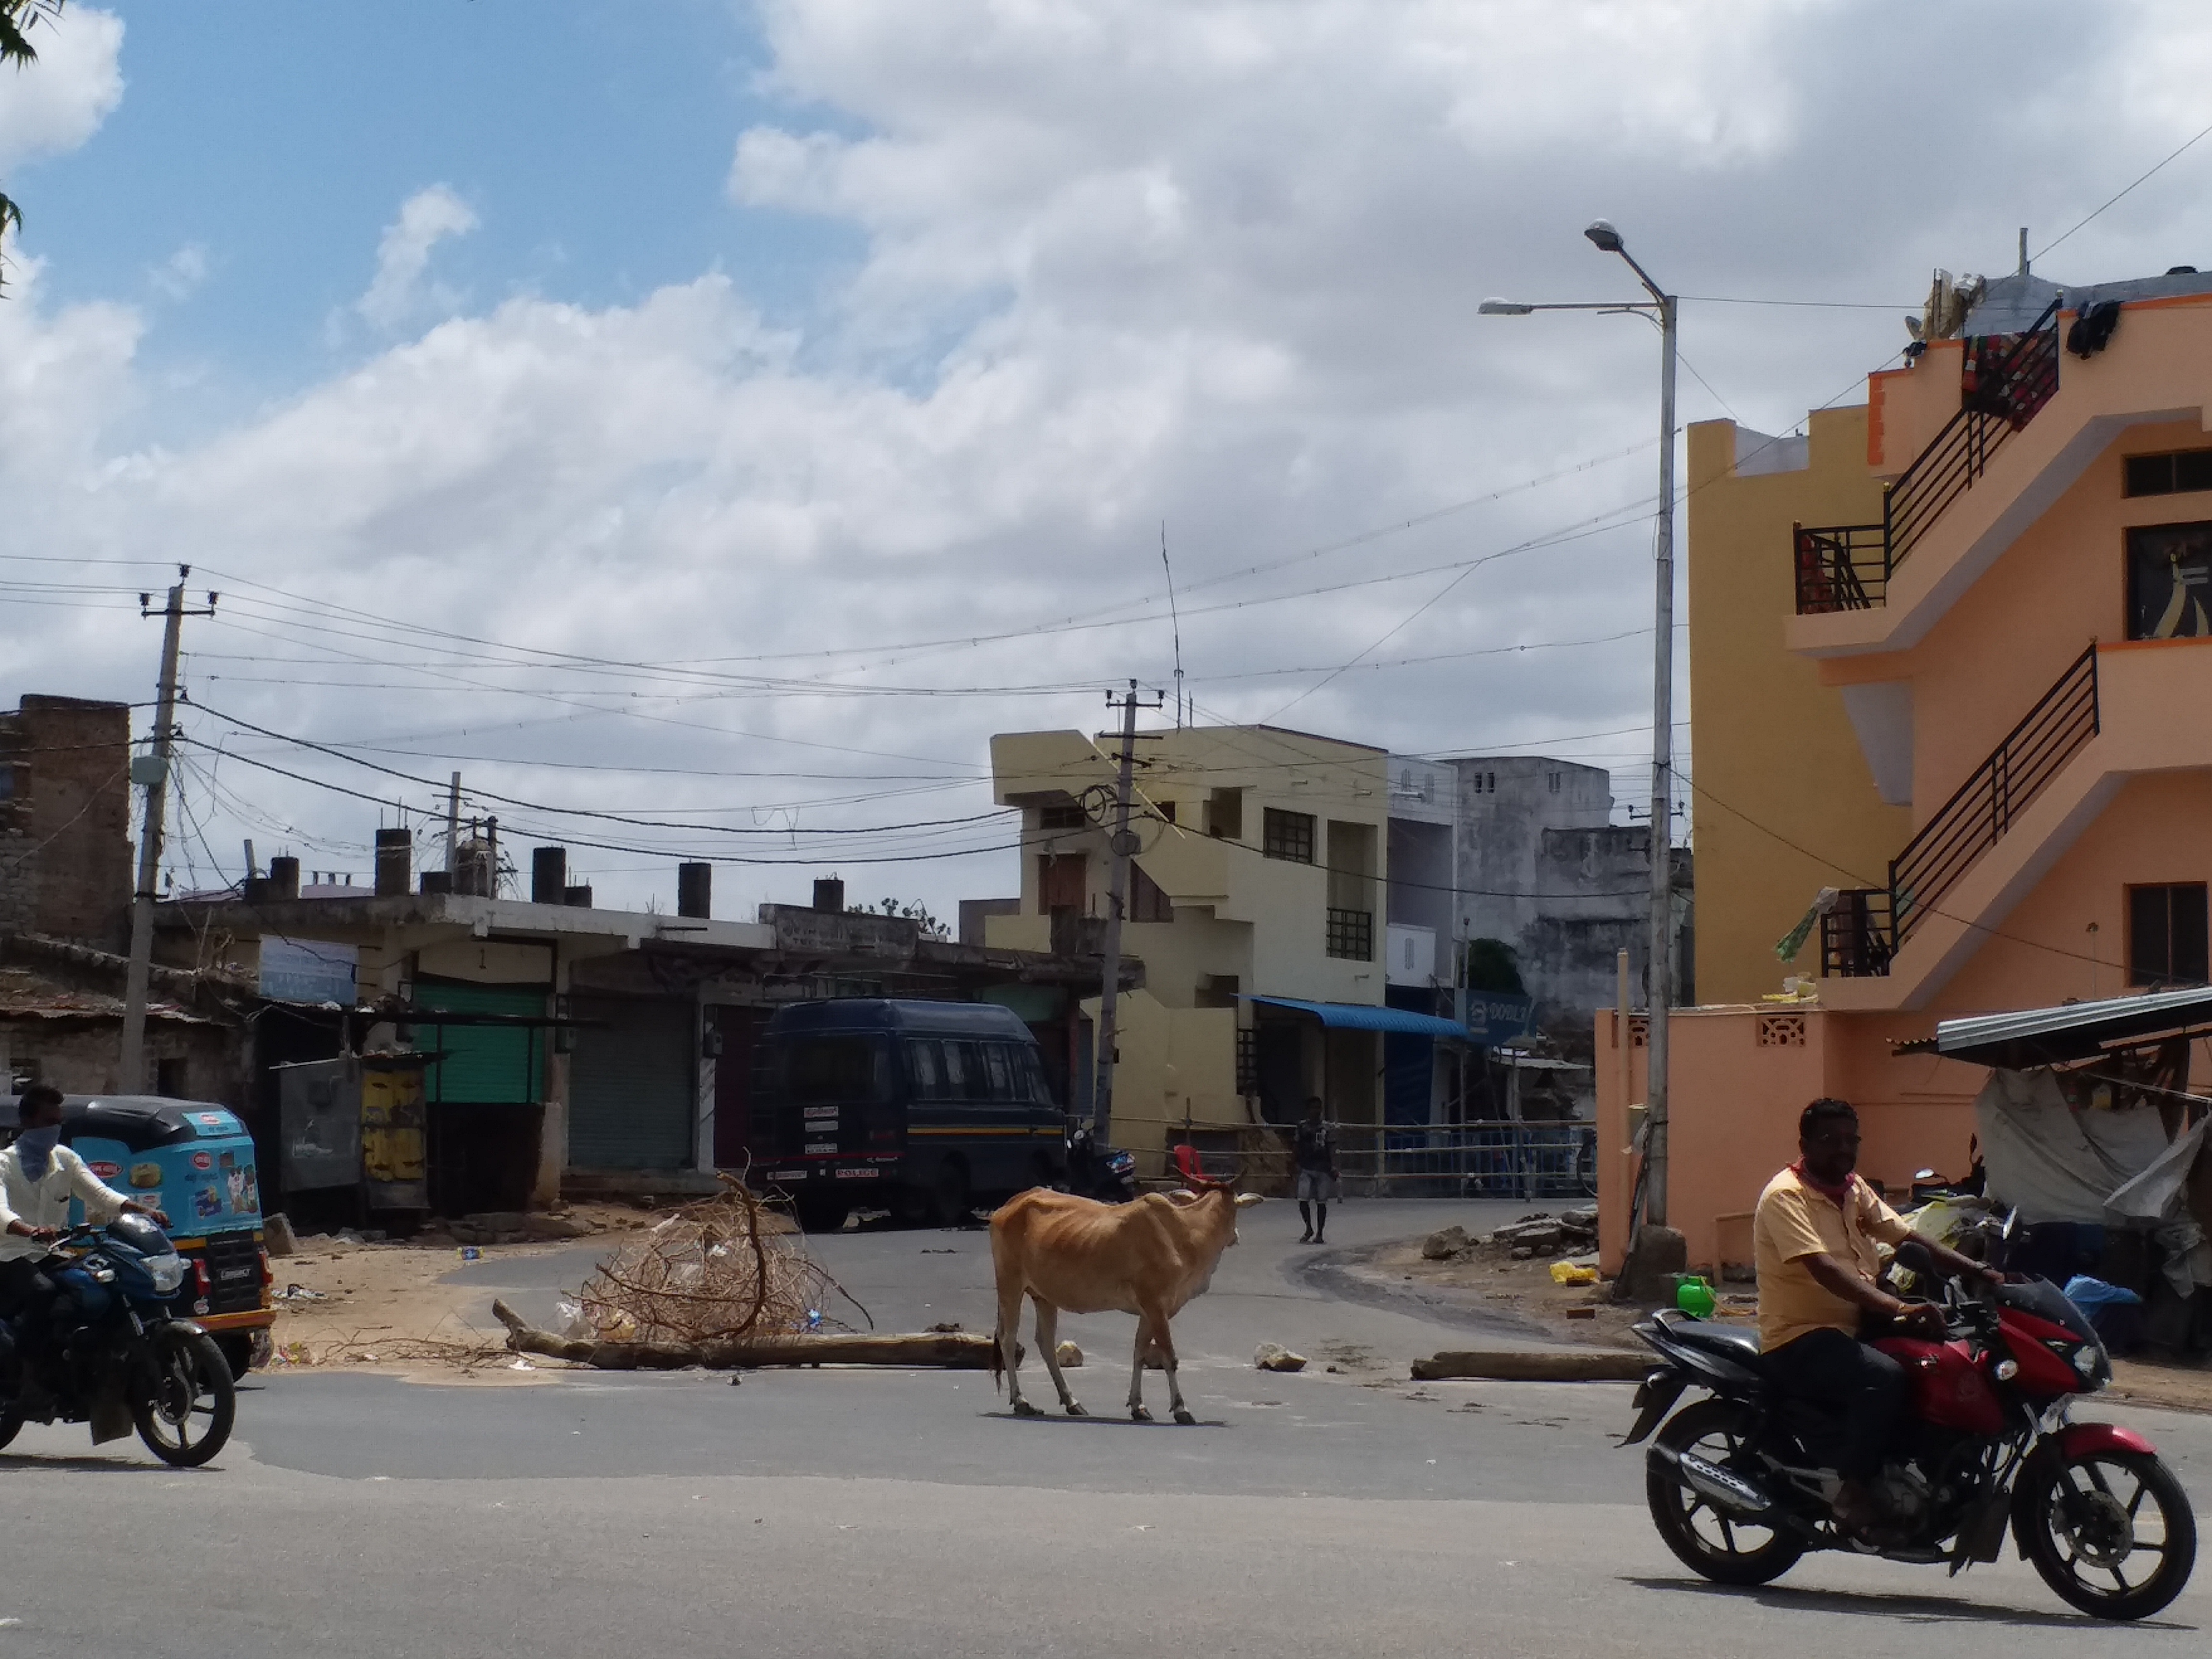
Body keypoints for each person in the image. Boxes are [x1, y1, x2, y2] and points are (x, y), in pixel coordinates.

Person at [1754, 1096, 1996, 1537]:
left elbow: (1906, 1235)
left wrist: (1983, 1272)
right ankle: (1853, 1491)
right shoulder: (1786, 1196)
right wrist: (1900, 1308)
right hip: (1800, 1337)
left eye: (1852, 1140)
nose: (1844, 1149)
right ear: (1805, 1143)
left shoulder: (1851, 1189)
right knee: (1883, 1378)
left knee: (1944, 1358)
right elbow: (1824, 1269)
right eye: (1832, 1140)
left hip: (1857, 1324)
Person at [0, 1085, 168, 1392]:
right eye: (49, 1121)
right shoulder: (4, 1164)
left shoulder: (65, 1159)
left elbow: (101, 1194)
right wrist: (29, 1230)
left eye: (59, 1122)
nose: (55, 1129)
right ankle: (29, 1374)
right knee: (42, 1291)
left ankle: (78, 1354)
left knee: (95, 1283)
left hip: (52, 1252)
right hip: (9, 1255)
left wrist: (140, 1209)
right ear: (28, 1123)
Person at [1292, 1096, 1338, 1244]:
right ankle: (1309, 1227)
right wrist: (1294, 1164)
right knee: (1303, 1199)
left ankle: (1320, 1233)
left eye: (1318, 1108)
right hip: (1306, 1167)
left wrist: (1334, 1167)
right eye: (1313, 1108)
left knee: (1321, 1203)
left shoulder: (1327, 1128)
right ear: (1308, 1110)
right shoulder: (1302, 1127)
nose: (1316, 1111)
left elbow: (1332, 1148)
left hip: (1324, 1168)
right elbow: (1296, 1146)